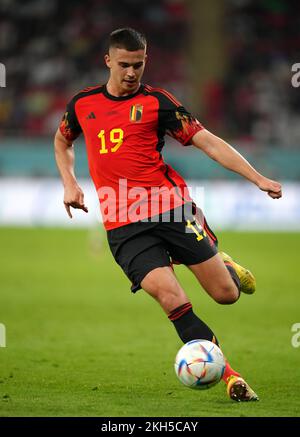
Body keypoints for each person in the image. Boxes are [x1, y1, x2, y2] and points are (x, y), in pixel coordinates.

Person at [54, 28, 282, 402]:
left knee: (226, 295)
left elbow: (206, 140)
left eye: (138, 65)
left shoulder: (158, 103)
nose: (131, 73)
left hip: (170, 210)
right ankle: (231, 377)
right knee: (172, 300)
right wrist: (69, 182)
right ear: (107, 60)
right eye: (124, 64)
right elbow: (63, 140)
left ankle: (220, 262)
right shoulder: (82, 104)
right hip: (124, 227)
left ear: (146, 61)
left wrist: (256, 177)